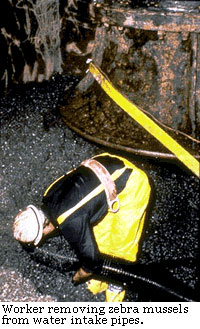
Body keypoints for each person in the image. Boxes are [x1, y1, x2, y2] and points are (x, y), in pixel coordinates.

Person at [13, 152, 151, 302]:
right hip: (105, 164)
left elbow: (90, 263)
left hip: (131, 183)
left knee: (121, 248)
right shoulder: (48, 194)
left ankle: (116, 285)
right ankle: (103, 275)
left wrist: (76, 278)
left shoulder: (70, 222)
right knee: (99, 238)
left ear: (45, 227)